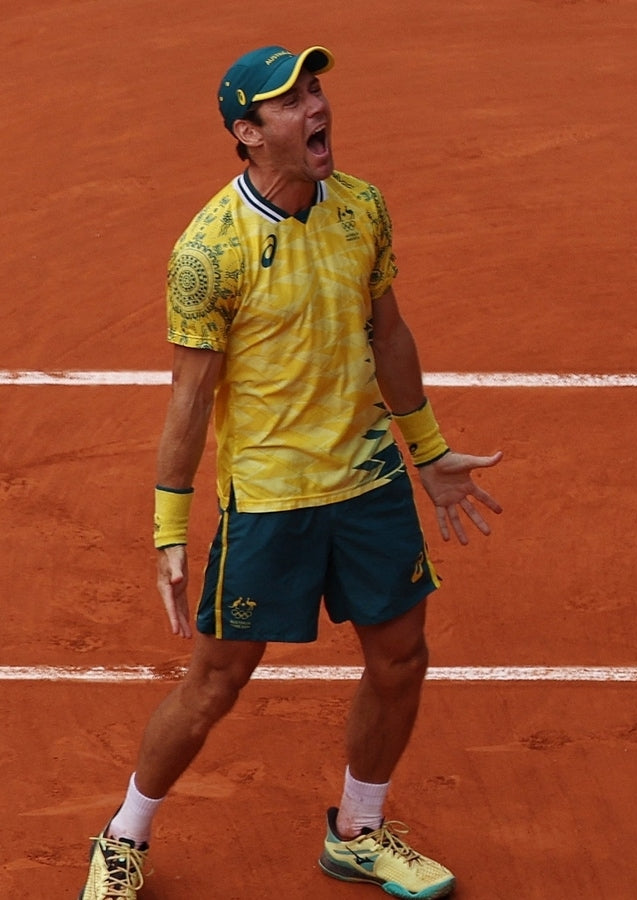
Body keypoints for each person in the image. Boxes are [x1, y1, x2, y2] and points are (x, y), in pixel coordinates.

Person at [79, 45, 502, 900]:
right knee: (216, 683)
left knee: (401, 658)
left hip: (369, 480)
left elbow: (389, 333)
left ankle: (358, 829)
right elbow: (191, 399)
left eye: (315, 90)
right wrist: (168, 528)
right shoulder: (208, 252)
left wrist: (426, 449)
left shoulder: (362, 209)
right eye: (290, 101)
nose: (316, 108)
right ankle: (124, 836)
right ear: (248, 133)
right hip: (271, 500)